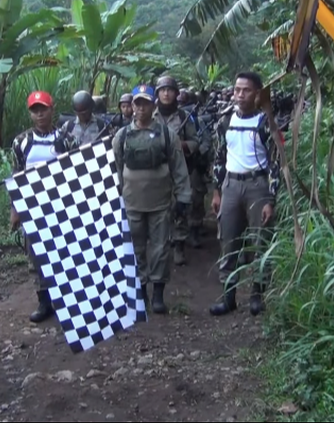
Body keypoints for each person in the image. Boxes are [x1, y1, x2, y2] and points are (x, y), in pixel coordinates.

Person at [112, 85, 191, 313]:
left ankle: (158, 294)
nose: (141, 108)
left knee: (160, 248)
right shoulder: (122, 136)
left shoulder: (167, 134)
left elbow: (179, 167)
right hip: (132, 202)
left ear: (153, 105)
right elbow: (117, 167)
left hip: (159, 202)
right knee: (135, 248)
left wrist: (183, 197)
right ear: (132, 106)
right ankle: (140, 292)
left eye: (145, 103)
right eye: (137, 103)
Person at [210, 71, 280, 317]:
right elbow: (219, 157)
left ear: (257, 93)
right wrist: (217, 191)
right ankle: (228, 297)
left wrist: (271, 199)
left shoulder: (265, 122)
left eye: (246, 90)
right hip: (231, 184)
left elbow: (275, 162)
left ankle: (257, 296)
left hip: (257, 185)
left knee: (261, 240)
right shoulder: (225, 121)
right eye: (237, 89)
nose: (239, 94)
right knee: (228, 241)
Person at [10, 91, 77, 324]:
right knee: (36, 256)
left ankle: (66, 298)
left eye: (43, 109)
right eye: (35, 110)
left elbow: (76, 173)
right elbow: (16, 175)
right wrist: (15, 209)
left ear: (52, 109)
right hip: (32, 205)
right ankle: (43, 301)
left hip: (60, 205)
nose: (39, 114)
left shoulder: (67, 139)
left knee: (64, 251)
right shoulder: (21, 142)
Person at [153, 75, 200, 264]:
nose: (166, 93)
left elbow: (196, 142)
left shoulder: (183, 117)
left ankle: (179, 245)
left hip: (178, 169)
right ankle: (160, 246)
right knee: (157, 210)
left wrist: (181, 145)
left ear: (175, 93)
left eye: (169, 90)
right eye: (162, 90)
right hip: (155, 170)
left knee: (180, 206)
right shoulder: (150, 115)